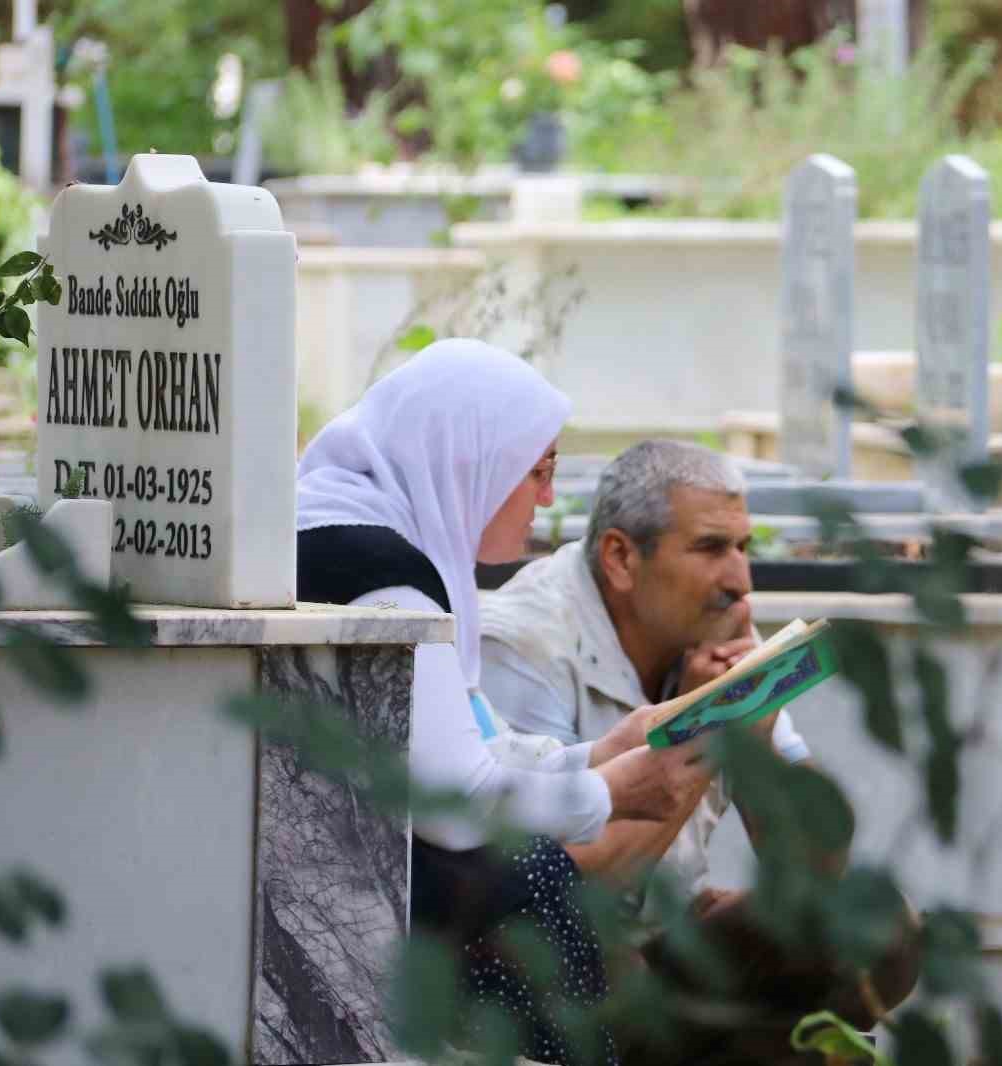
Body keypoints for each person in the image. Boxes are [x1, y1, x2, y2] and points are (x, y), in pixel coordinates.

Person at [295, 341, 708, 1066]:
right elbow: (456, 807)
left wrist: (597, 753)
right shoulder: (383, 575)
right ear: (467, 460)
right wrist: (612, 791)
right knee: (539, 880)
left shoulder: (337, 528)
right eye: (537, 471)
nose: (546, 499)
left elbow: (453, 748)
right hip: (346, 905)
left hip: (326, 878)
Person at [480, 439, 919, 1064]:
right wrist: (705, 734)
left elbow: (816, 867)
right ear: (621, 558)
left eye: (744, 547)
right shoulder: (522, 645)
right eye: (712, 548)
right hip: (550, 964)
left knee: (880, 931)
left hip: (665, 935)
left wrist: (757, 746)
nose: (740, 580)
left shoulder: (715, 622)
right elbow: (555, 892)